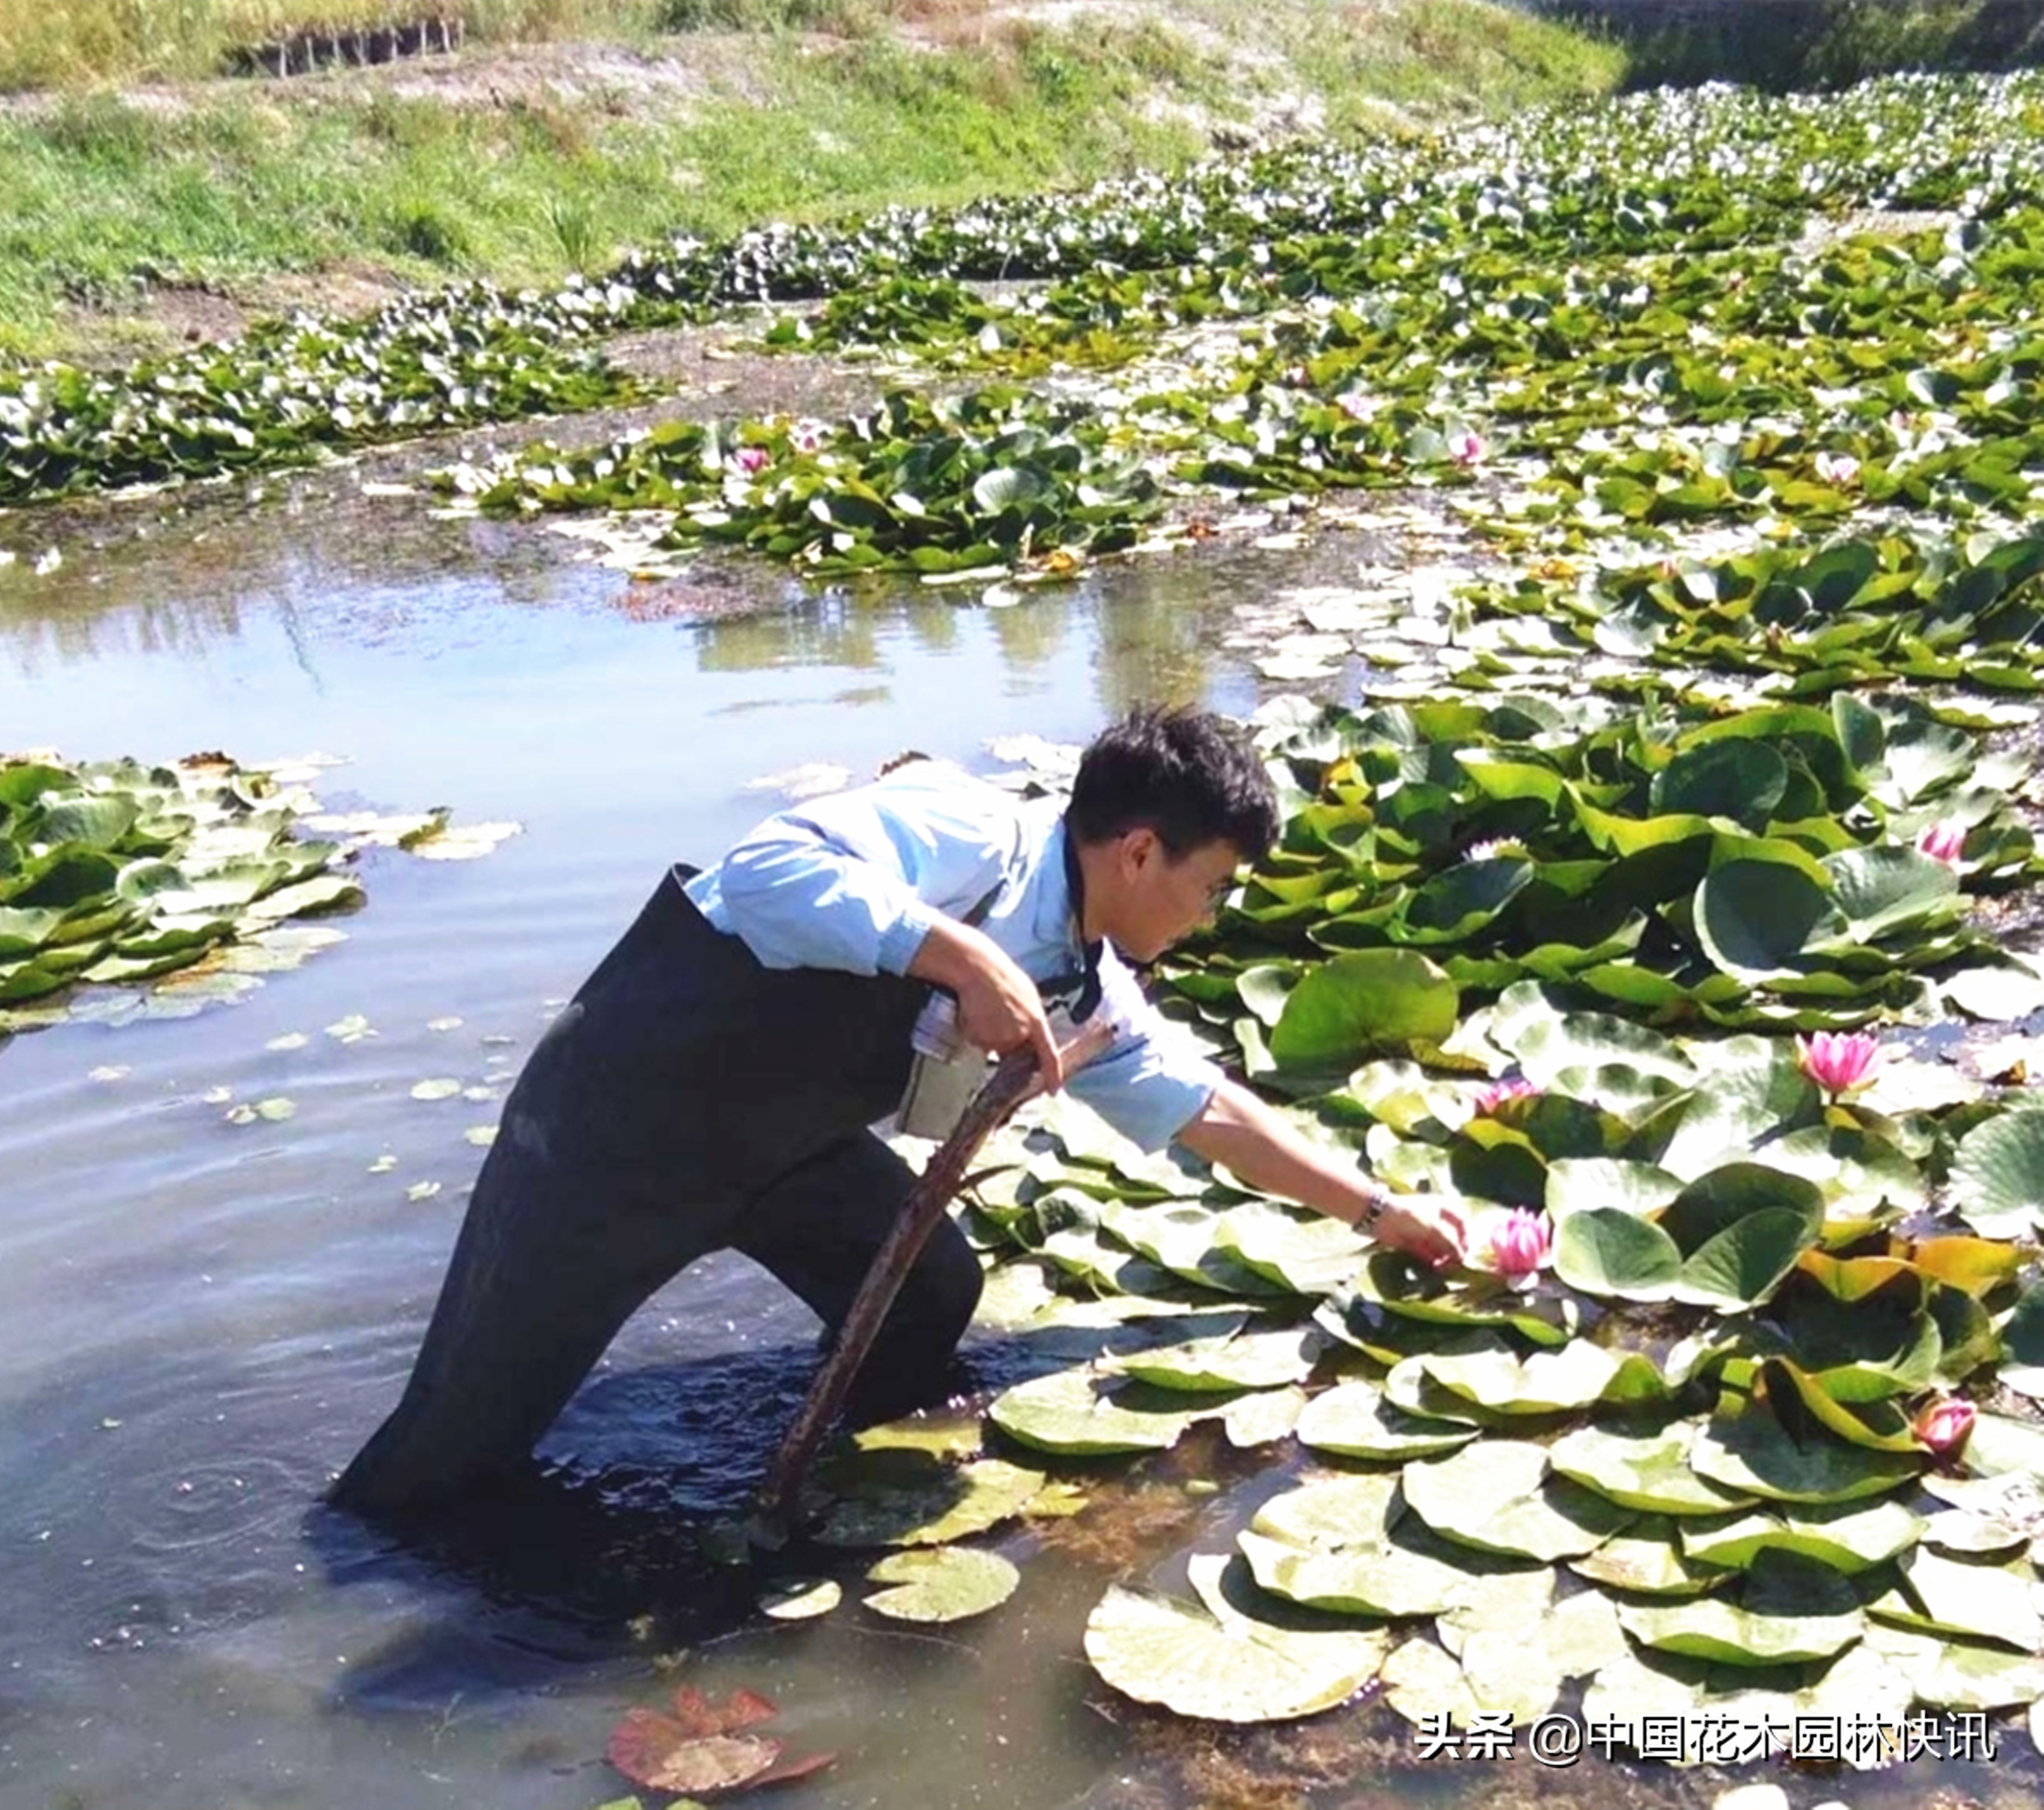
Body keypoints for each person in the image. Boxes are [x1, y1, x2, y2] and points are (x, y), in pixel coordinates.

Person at [330, 705, 1464, 1514]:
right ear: (1138, 850)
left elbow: (1204, 1107)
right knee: (455, 1447)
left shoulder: (1080, 971)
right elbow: (766, 869)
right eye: (1211, 884)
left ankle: (823, 1483)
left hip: (784, 1154)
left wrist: (1377, 1212)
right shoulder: (971, 835)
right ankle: (353, 1595)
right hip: (617, 1131)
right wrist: (952, 948)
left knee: (931, 1289)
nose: (1211, 914)